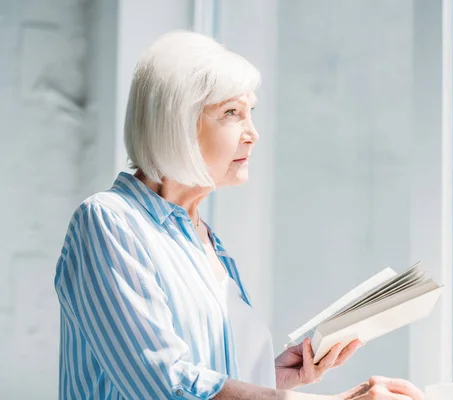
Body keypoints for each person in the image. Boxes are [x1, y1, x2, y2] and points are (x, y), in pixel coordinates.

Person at [54, 31, 424, 400]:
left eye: (251, 113)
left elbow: (205, 378)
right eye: (232, 113)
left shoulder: (206, 241)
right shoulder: (109, 222)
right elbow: (162, 384)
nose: (253, 134)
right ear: (178, 122)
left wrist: (270, 376)